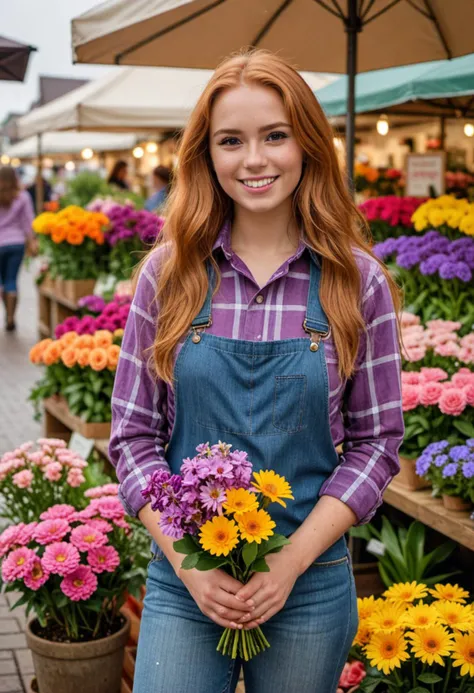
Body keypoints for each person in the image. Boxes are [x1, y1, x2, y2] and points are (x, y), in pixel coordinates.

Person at [109, 49, 404, 693]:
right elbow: (132, 440)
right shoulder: (169, 277)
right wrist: (191, 569)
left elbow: (377, 445)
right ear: (206, 156)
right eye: (231, 141)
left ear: (307, 144)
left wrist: (289, 563)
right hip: (187, 580)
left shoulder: (358, 284)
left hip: (310, 579)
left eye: (276, 135)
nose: (255, 160)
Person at [0, 166, 35, 331]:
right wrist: (32, 241)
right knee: (11, 280)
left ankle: (7, 312)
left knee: (1, 282)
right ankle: (11, 318)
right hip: (16, 243)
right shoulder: (22, 197)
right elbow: (28, 222)